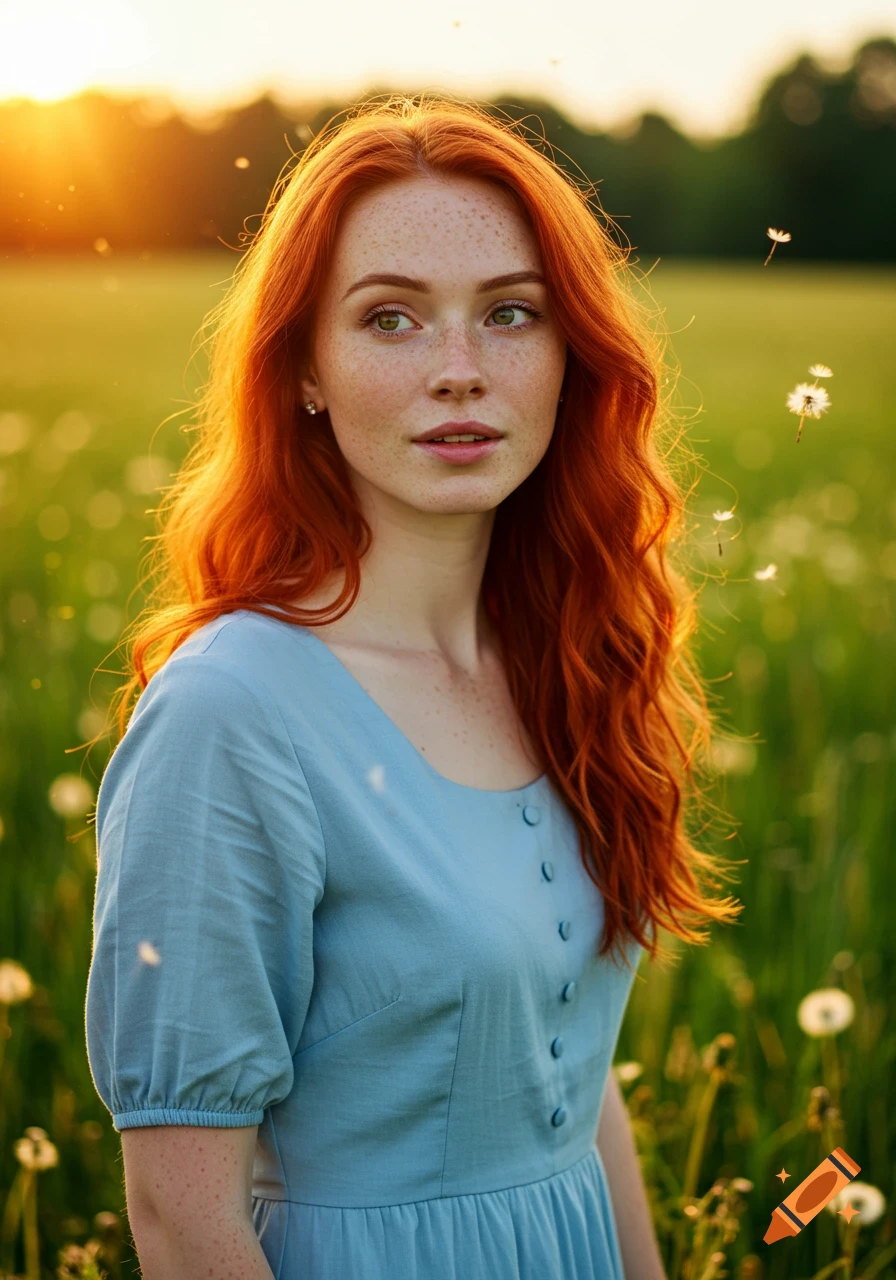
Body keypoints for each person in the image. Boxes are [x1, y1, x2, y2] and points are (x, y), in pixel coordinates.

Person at [84, 93, 743, 1280]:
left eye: (508, 314)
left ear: (567, 355)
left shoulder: (563, 660)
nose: (458, 371)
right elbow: (183, 1218)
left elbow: (579, 1093)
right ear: (305, 372)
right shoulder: (230, 714)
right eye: (389, 318)